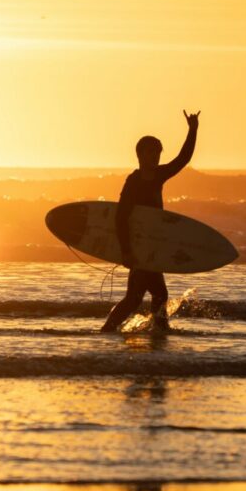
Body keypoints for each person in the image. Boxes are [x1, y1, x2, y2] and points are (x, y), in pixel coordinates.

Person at [100, 111, 200, 333]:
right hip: (139, 248)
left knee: (155, 295)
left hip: (153, 247)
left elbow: (182, 159)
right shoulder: (133, 182)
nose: (155, 157)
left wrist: (192, 130)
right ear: (140, 155)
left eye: (157, 153)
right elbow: (121, 216)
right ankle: (111, 329)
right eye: (151, 153)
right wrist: (126, 250)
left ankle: (158, 328)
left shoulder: (159, 175)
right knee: (135, 298)